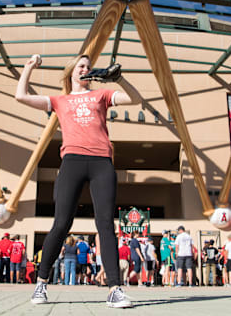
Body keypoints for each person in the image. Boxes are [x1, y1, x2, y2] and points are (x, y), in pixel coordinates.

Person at [17, 54, 139, 308]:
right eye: (80, 66)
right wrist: (28, 68)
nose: (85, 69)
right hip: (72, 161)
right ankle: (41, 283)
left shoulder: (101, 95)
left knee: (105, 223)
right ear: (71, 72)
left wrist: (119, 79)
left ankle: (115, 289)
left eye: (88, 67)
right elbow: (21, 96)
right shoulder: (59, 100)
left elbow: (136, 99)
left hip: (101, 163)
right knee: (62, 223)